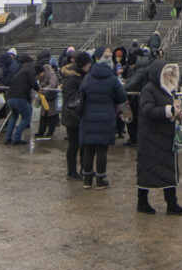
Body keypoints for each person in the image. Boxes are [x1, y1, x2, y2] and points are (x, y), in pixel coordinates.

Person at [136, 60, 182, 214]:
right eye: (165, 72)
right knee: (147, 170)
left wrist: (179, 113)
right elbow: (147, 110)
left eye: (170, 72)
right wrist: (168, 111)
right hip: (150, 137)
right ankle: (142, 202)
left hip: (165, 136)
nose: (168, 75)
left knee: (168, 170)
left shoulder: (169, 90)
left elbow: (170, 109)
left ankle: (172, 203)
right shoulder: (149, 89)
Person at [80, 50, 128, 189]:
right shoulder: (112, 79)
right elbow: (121, 97)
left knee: (89, 148)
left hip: (88, 116)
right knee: (102, 149)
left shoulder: (88, 78)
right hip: (106, 117)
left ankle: (87, 179)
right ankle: (100, 179)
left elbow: (81, 93)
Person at [60, 51, 92, 180]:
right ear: (83, 64)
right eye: (88, 63)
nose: (90, 65)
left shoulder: (82, 75)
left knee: (84, 144)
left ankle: (85, 169)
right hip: (73, 115)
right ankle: (71, 172)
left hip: (80, 115)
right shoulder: (72, 78)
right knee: (74, 145)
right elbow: (71, 99)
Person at [4, 55, 38, 145]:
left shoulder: (19, 70)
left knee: (14, 117)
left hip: (10, 97)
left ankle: (8, 138)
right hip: (20, 97)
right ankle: (16, 138)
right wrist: (38, 88)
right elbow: (34, 83)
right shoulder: (30, 69)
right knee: (26, 117)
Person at [36, 61, 60, 140]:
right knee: (43, 115)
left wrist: (44, 90)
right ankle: (41, 131)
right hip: (44, 97)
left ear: (41, 73)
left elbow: (52, 85)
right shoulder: (41, 75)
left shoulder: (51, 74)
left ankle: (50, 131)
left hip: (51, 97)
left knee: (51, 116)